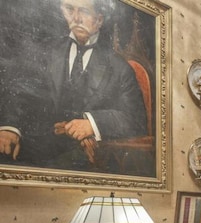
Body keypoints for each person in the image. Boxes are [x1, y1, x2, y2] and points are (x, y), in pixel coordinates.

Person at [0, 0, 147, 172]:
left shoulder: (119, 68)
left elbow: (135, 119)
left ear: (99, 20)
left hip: (84, 157)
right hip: (34, 144)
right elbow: (20, 92)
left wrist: (92, 123)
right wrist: (10, 128)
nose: (76, 18)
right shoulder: (45, 52)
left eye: (84, 11)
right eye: (70, 9)